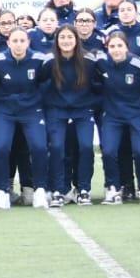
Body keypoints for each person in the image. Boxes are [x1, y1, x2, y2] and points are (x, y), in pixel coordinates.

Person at [0, 28, 49, 210]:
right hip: (4, 111)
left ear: (28, 42)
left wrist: (35, 101)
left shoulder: (39, 60)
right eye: (15, 40)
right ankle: (1, 192)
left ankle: (40, 190)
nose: (19, 44)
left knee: (39, 147)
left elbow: (46, 82)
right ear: (8, 43)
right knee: (1, 147)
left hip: (31, 110)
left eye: (22, 40)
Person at [93, 31, 140, 204]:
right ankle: (113, 188)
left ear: (127, 47)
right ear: (107, 47)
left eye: (120, 46)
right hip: (112, 116)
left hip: (137, 114)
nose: (116, 50)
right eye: (112, 46)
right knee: (109, 151)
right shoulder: (102, 63)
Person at [43, 25, 98, 207]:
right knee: (57, 148)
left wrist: (91, 105)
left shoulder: (89, 61)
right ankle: (59, 190)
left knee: (85, 147)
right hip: (57, 111)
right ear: (57, 40)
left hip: (83, 111)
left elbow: (98, 86)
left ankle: (83, 190)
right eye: (62, 37)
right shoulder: (50, 61)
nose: (66, 41)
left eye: (70, 37)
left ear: (76, 39)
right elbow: (40, 85)